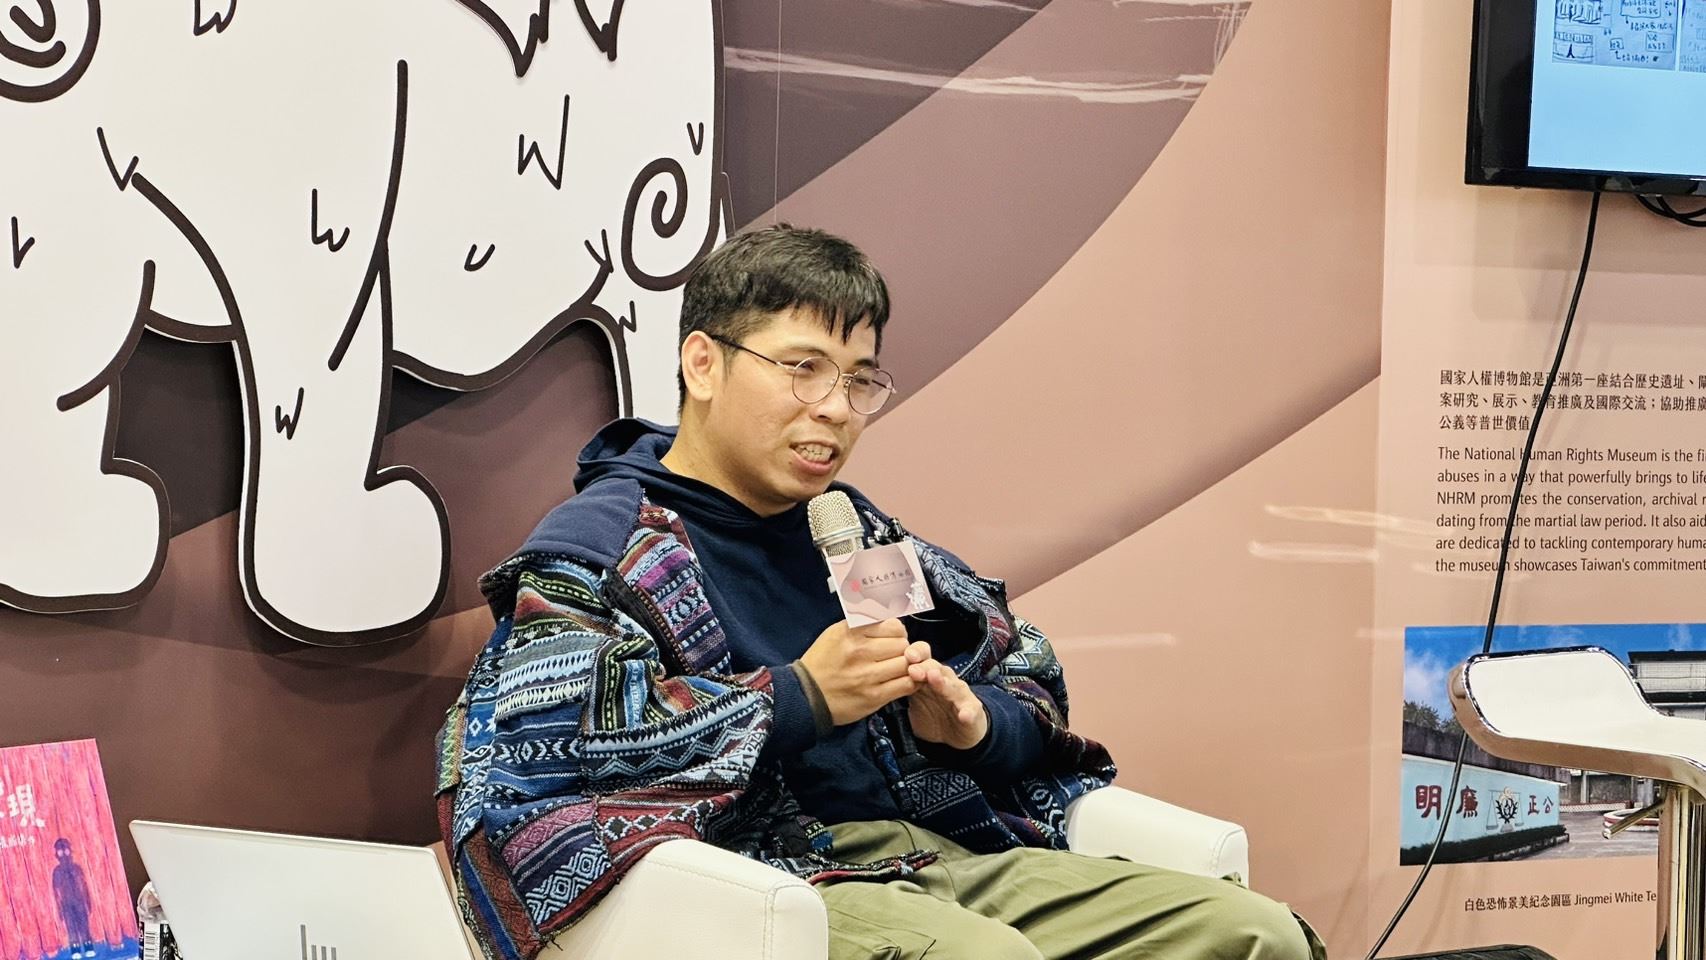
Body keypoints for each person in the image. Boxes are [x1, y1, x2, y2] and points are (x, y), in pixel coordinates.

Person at [436, 226, 1326, 960]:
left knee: (1254, 935)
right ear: (702, 364)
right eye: (804, 368)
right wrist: (800, 697)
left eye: (860, 380)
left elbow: (1023, 669)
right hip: (769, 881)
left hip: (939, 851)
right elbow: (544, 758)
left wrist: (971, 724)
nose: (835, 407)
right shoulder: (603, 547)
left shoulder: (852, 530)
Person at [51, 837, 95, 960]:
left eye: (65, 850)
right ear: (56, 853)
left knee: (84, 925)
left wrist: (88, 902)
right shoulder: (57, 871)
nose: (64, 853)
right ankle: (75, 949)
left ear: (70, 850)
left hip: (80, 901)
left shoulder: (77, 868)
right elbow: (56, 893)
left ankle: (88, 947)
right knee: (71, 927)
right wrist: (59, 909)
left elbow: (84, 886)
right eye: (60, 851)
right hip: (66, 904)